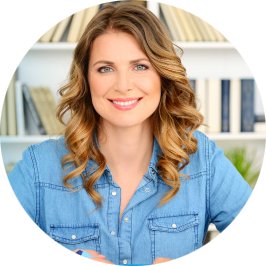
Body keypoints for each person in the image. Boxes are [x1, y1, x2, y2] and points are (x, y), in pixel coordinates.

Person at [0, 3, 266, 265]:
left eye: (140, 66)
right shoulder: (38, 167)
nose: (123, 85)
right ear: (86, 79)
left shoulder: (202, 161)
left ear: (162, 75)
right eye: (105, 68)